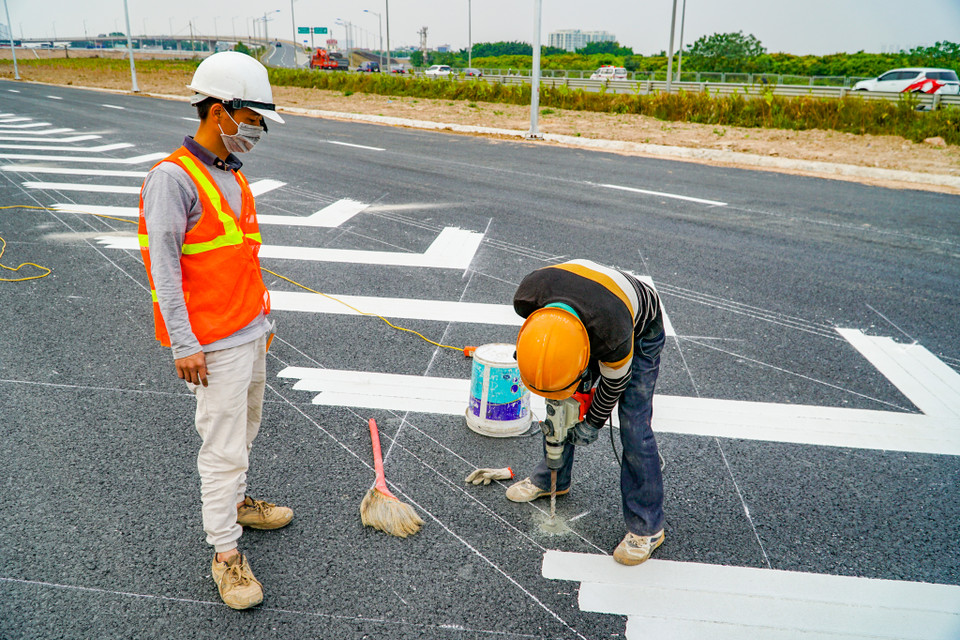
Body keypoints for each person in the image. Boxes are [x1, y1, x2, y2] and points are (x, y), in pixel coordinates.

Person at [138, 51, 291, 610]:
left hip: (248, 329)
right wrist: (184, 343)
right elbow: (163, 269)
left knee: (245, 429)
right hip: (212, 343)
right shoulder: (173, 179)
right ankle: (226, 555)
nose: (256, 131)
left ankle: (238, 504)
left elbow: (240, 258)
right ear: (220, 111)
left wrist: (262, 322)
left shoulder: (230, 172)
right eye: (250, 118)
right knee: (222, 448)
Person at [509, 259, 666, 566]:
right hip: (583, 309)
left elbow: (614, 384)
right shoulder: (527, 296)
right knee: (561, 402)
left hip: (638, 326)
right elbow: (536, 339)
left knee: (634, 424)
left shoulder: (613, 336)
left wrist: (593, 421)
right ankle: (553, 479)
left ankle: (647, 526)